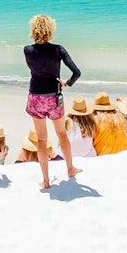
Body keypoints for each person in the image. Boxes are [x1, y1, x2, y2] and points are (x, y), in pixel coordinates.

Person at [24, 14, 82, 188]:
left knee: (41, 139)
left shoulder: (28, 50)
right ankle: (70, 168)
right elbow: (76, 72)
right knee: (61, 134)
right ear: (50, 29)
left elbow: (36, 69)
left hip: (35, 97)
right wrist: (67, 83)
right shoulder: (58, 50)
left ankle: (46, 180)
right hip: (53, 97)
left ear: (33, 29)